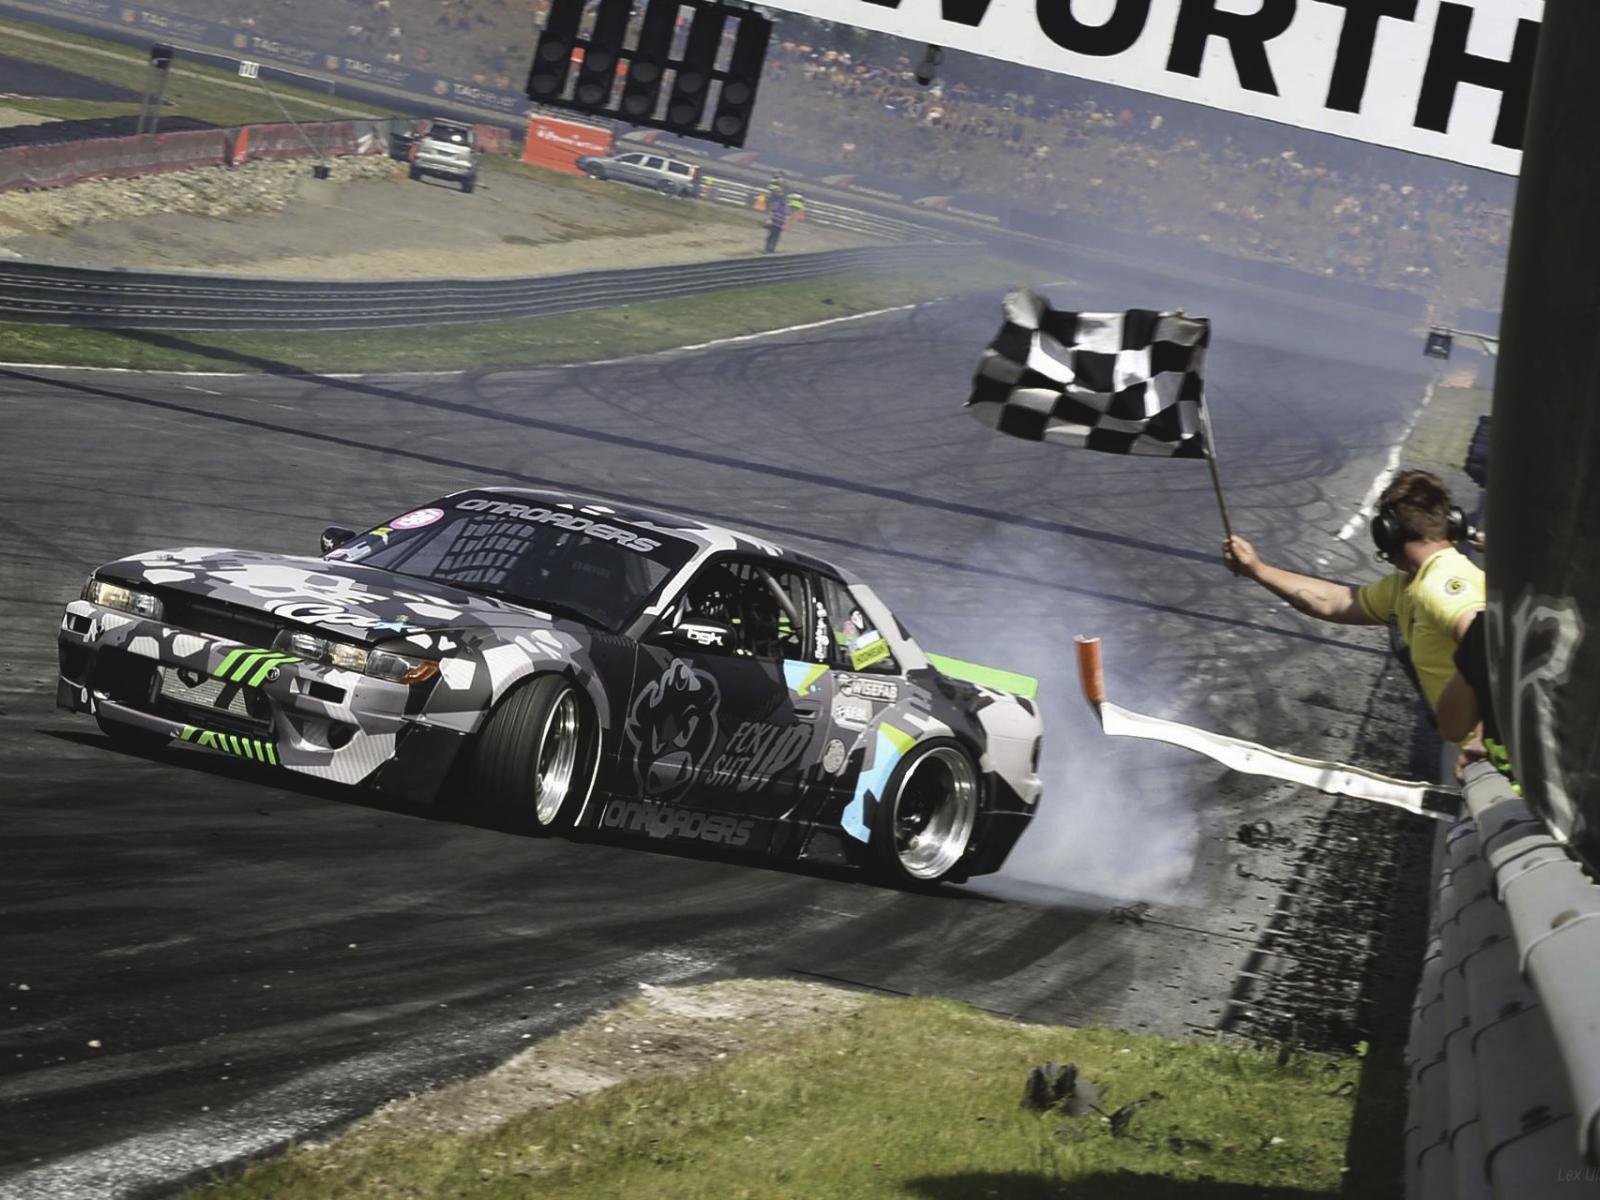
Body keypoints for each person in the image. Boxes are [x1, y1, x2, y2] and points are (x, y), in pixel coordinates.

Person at [1223, 469, 1485, 768]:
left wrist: (1482, 735)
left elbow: (1487, 641)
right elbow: (1335, 601)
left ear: (1387, 532)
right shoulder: (1407, 587)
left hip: (1500, 753)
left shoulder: (1443, 584)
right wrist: (1257, 570)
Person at [762, 187, 790, 254]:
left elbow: (787, 216)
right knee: (772, 236)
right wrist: (769, 219)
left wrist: (785, 224)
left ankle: (771, 249)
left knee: (775, 237)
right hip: (775, 223)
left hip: (779, 224)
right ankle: (767, 249)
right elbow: (772, 212)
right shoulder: (777, 204)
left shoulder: (785, 207)